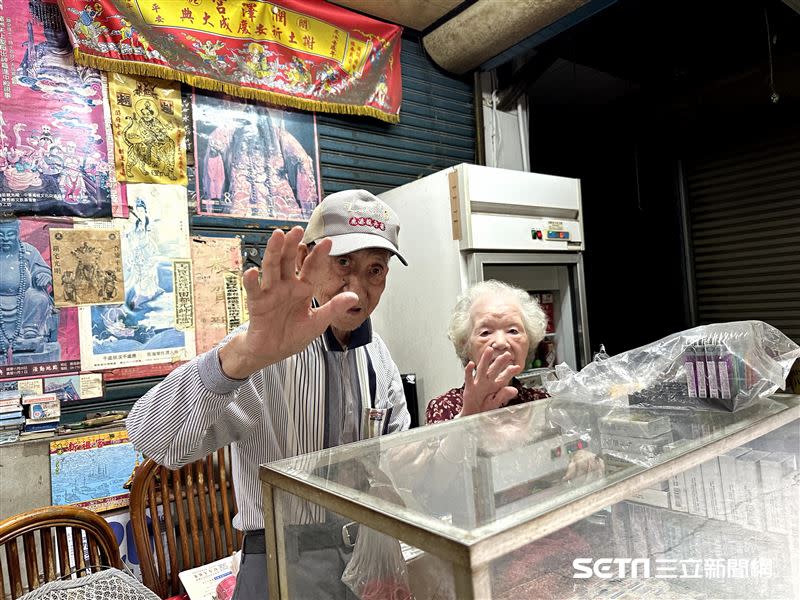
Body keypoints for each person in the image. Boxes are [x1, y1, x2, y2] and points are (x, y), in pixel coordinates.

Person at [126, 189, 410, 600]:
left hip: (367, 557)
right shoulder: (262, 347)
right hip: (280, 559)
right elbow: (154, 439)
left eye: (375, 270)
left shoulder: (378, 355)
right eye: (343, 262)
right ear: (303, 262)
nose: (357, 287)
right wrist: (241, 357)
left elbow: (396, 456)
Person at [426, 279, 549, 424]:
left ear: (529, 341)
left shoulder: (542, 403)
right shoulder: (445, 408)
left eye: (513, 331)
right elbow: (444, 447)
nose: (501, 343)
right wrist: (468, 417)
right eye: (485, 333)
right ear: (466, 346)